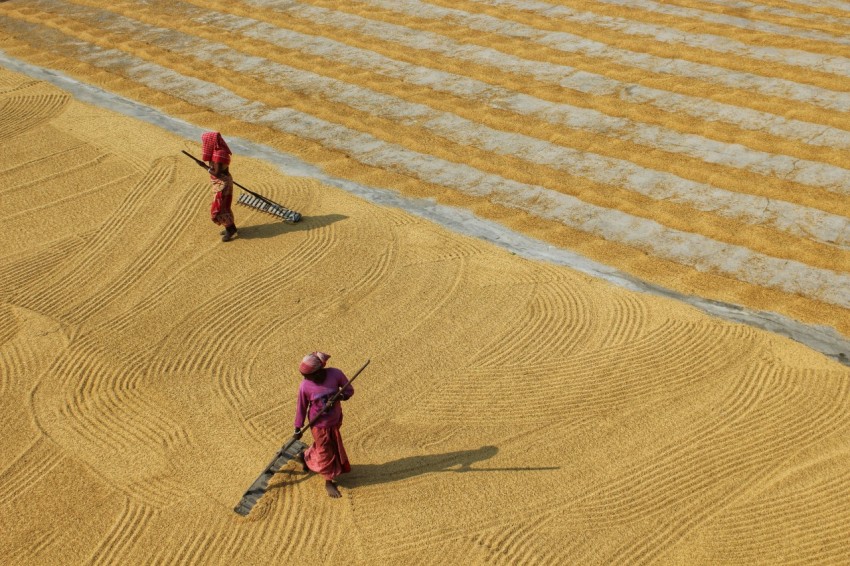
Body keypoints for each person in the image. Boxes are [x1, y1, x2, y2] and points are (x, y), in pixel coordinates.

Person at [293, 352, 354, 498]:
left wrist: (339, 396)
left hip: (335, 420)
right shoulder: (305, 386)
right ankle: (328, 480)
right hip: (319, 424)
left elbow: (349, 390)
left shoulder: (335, 374)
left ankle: (306, 456)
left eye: (309, 376)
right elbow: (301, 407)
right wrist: (298, 427)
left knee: (328, 445)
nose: (307, 379)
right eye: (305, 376)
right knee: (326, 451)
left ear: (319, 370)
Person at [201, 131, 237, 242]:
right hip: (223, 182)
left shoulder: (218, 154)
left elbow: (216, 173)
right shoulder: (218, 151)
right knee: (224, 206)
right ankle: (231, 228)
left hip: (222, 184)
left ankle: (230, 230)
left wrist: (204, 166)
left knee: (220, 208)